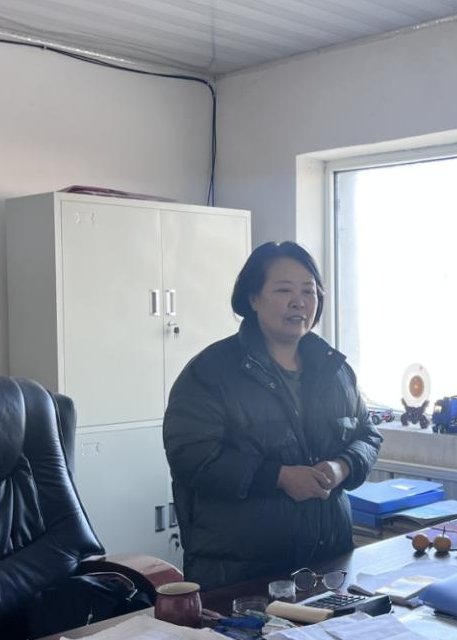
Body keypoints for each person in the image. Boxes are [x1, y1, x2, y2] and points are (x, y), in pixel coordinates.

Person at [163, 241, 381, 590]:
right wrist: (277, 477)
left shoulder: (334, 370)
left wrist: (342, 466)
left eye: (309, 291)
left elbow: (368, 434)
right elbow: (191, 455)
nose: (299, 302)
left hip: (328, 564)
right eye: (284, 290)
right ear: (253, 298)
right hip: (242, 573)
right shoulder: (211, 372)